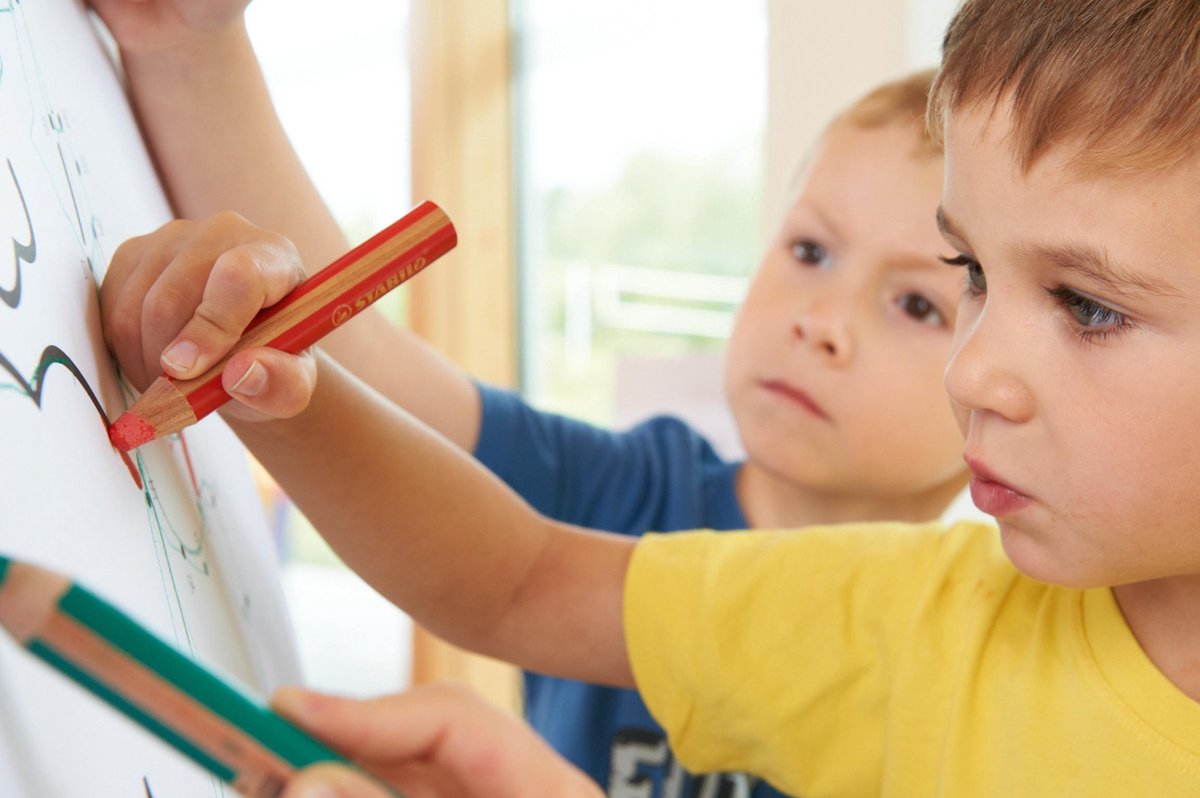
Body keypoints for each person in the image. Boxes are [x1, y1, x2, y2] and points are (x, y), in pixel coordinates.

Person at [91, 3, 974, 795]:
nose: (822, 320)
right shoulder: (626, 497)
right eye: (812, 252)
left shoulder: (981, 660)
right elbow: (358, 357)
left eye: (917, 304)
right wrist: (192, 51)